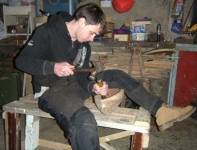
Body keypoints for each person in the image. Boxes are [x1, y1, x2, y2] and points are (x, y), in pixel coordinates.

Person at [15, 3, 196, 150]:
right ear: (82, 22)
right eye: (92, 33)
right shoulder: (46, 32)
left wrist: (92, 86)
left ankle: (161, 112)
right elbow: (21, 61)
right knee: (84, 122)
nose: (92, 39)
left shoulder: (83, 45)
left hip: (74, 87)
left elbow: (81, 77)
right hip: (51, 91)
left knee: (117, 75)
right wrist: (52, 67)